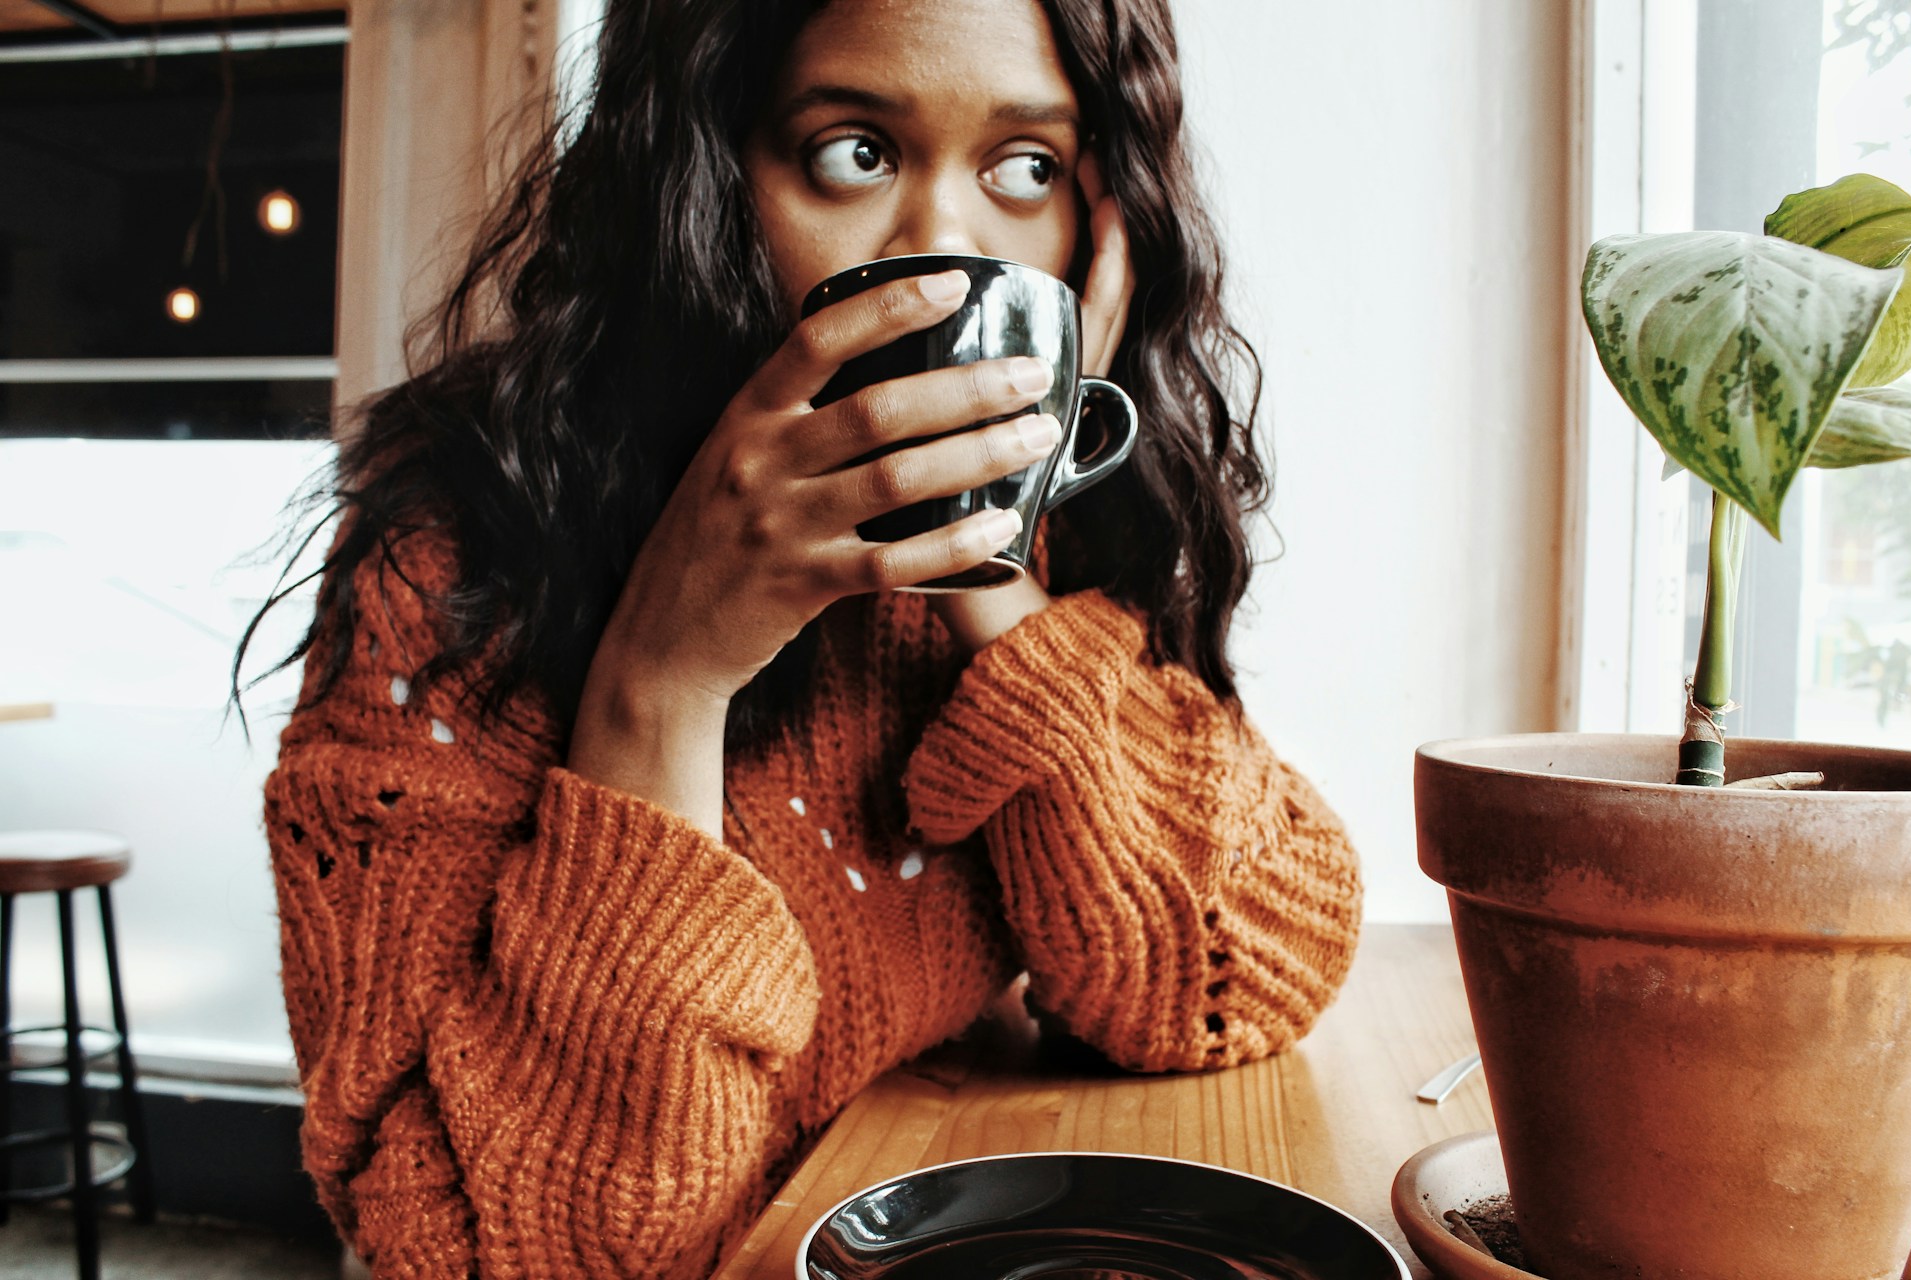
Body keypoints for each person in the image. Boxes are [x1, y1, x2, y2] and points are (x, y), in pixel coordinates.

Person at [250, 0, 1364, 1275]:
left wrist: (985, 546)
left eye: (1027, 169)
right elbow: (474, 1247)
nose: (945, 252)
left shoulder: (1077, 534)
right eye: (855, 153)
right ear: (705, 174)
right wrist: (664, 677)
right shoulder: (454, 544)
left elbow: (1227, 981)